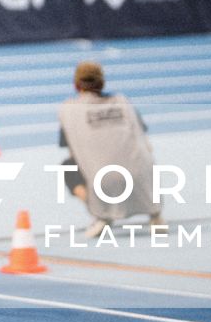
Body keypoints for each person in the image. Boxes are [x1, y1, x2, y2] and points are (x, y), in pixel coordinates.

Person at [56, 61, 163, 240]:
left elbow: (73, 153)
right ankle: (156, 216)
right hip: (142, 179)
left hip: (104, 182)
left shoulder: (69, 110)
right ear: (102, 83)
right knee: (143, 154)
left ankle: (101, 215)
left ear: (76, 85)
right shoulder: (123, 102)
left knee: (68, 167)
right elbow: (144, 140)